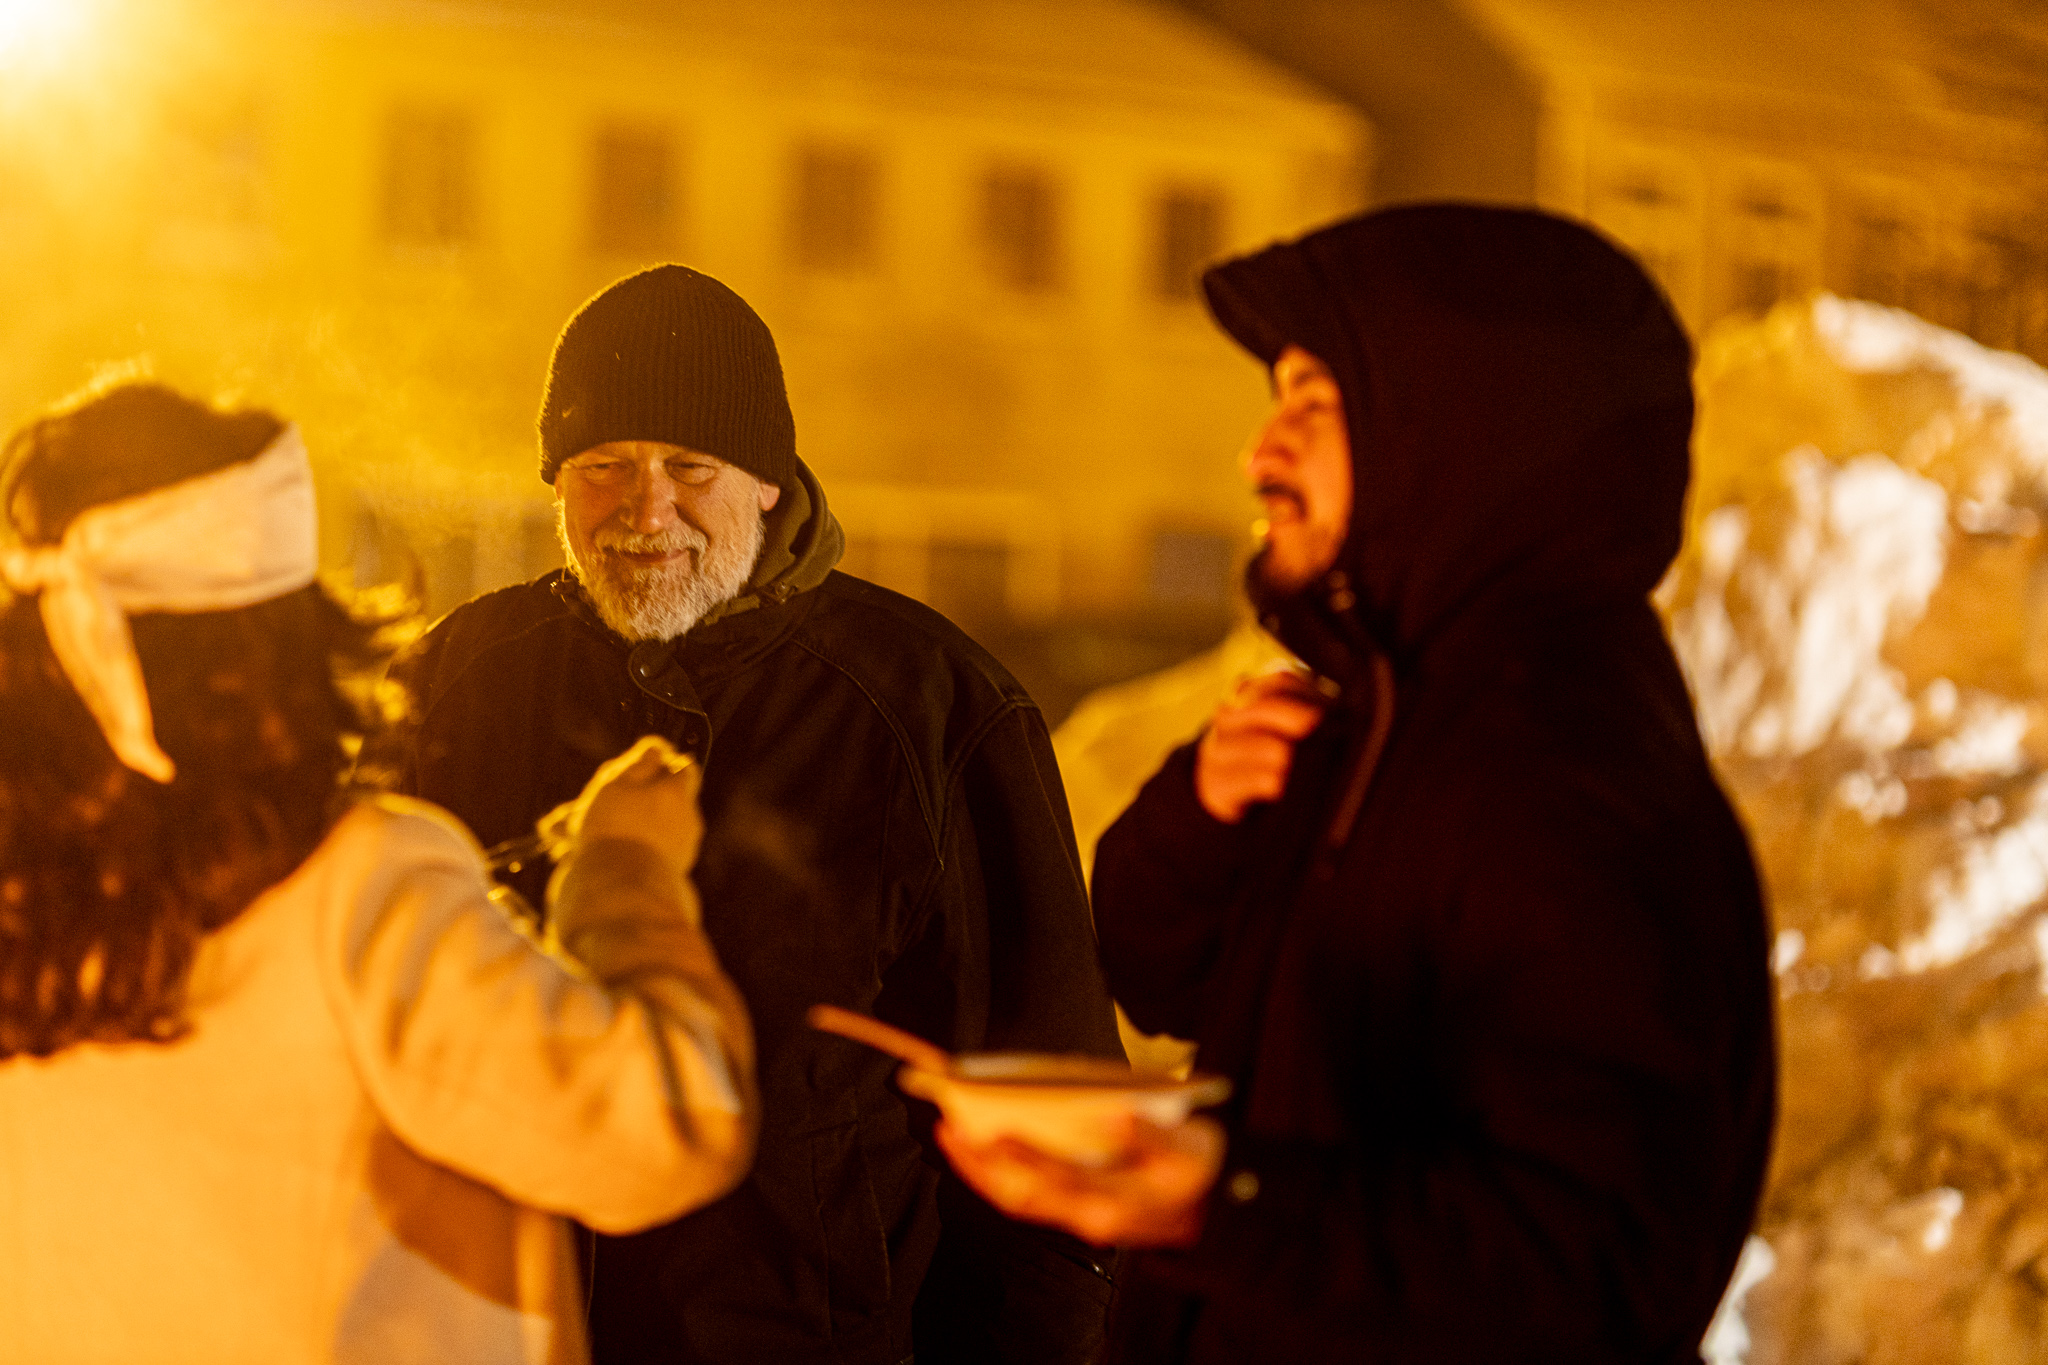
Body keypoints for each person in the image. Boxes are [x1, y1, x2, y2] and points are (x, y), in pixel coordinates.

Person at [938, 205, 1778, 1363]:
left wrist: (1219, 1203)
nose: (1257, 454)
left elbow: (1592, 1262)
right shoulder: (1389, 716)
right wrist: (1200, 815)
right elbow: (1163, 975)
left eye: (1313, 406)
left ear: (1461, 435)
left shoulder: (1564, 778)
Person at [387, 265, 1125, 1364]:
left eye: (690, 467)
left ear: (768, 481)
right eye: (603, 467)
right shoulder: (458, 682)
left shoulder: (928, 708)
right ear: (555, 485)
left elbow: (1049, 1114)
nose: (646, 511)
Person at [0, 382, 758, 1363]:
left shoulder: (26, 892)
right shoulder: (355, 890)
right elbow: (664, 1130)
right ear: (269, 641)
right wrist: (626, 870)